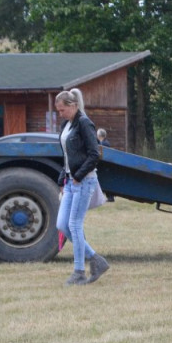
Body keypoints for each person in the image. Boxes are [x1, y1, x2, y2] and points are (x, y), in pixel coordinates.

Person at [55, 88, 110, 286]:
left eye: (62, 110)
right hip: (71, 181)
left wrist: (78, 176)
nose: (60, 114)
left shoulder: (84, 123)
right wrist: (64, 178)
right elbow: (67, 156)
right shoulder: (67, 124)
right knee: (62, 225)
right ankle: (96, 259)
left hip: (84, 180)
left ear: (73, 106)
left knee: (74, 225)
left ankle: (79, 271)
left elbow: (94, 154)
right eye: (58, 111)